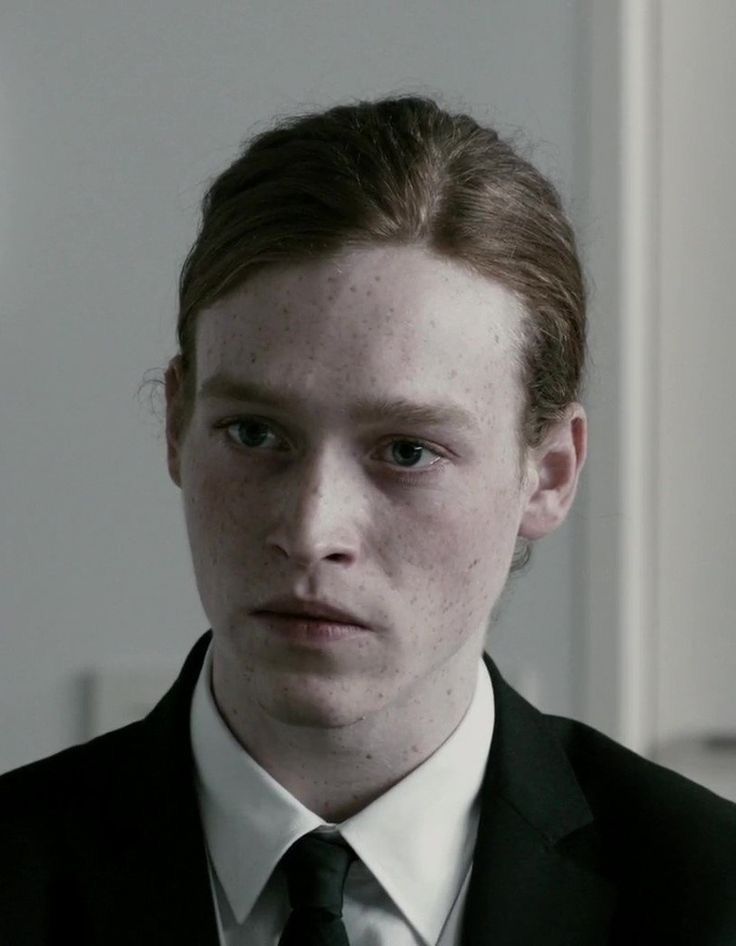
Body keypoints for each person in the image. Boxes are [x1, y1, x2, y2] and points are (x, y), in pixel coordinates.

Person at [1, 95, 734, 946]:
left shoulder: (710, 900)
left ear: (551, 474)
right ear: (177, 426)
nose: (313, 531)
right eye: (254, 433)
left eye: (408, 452)